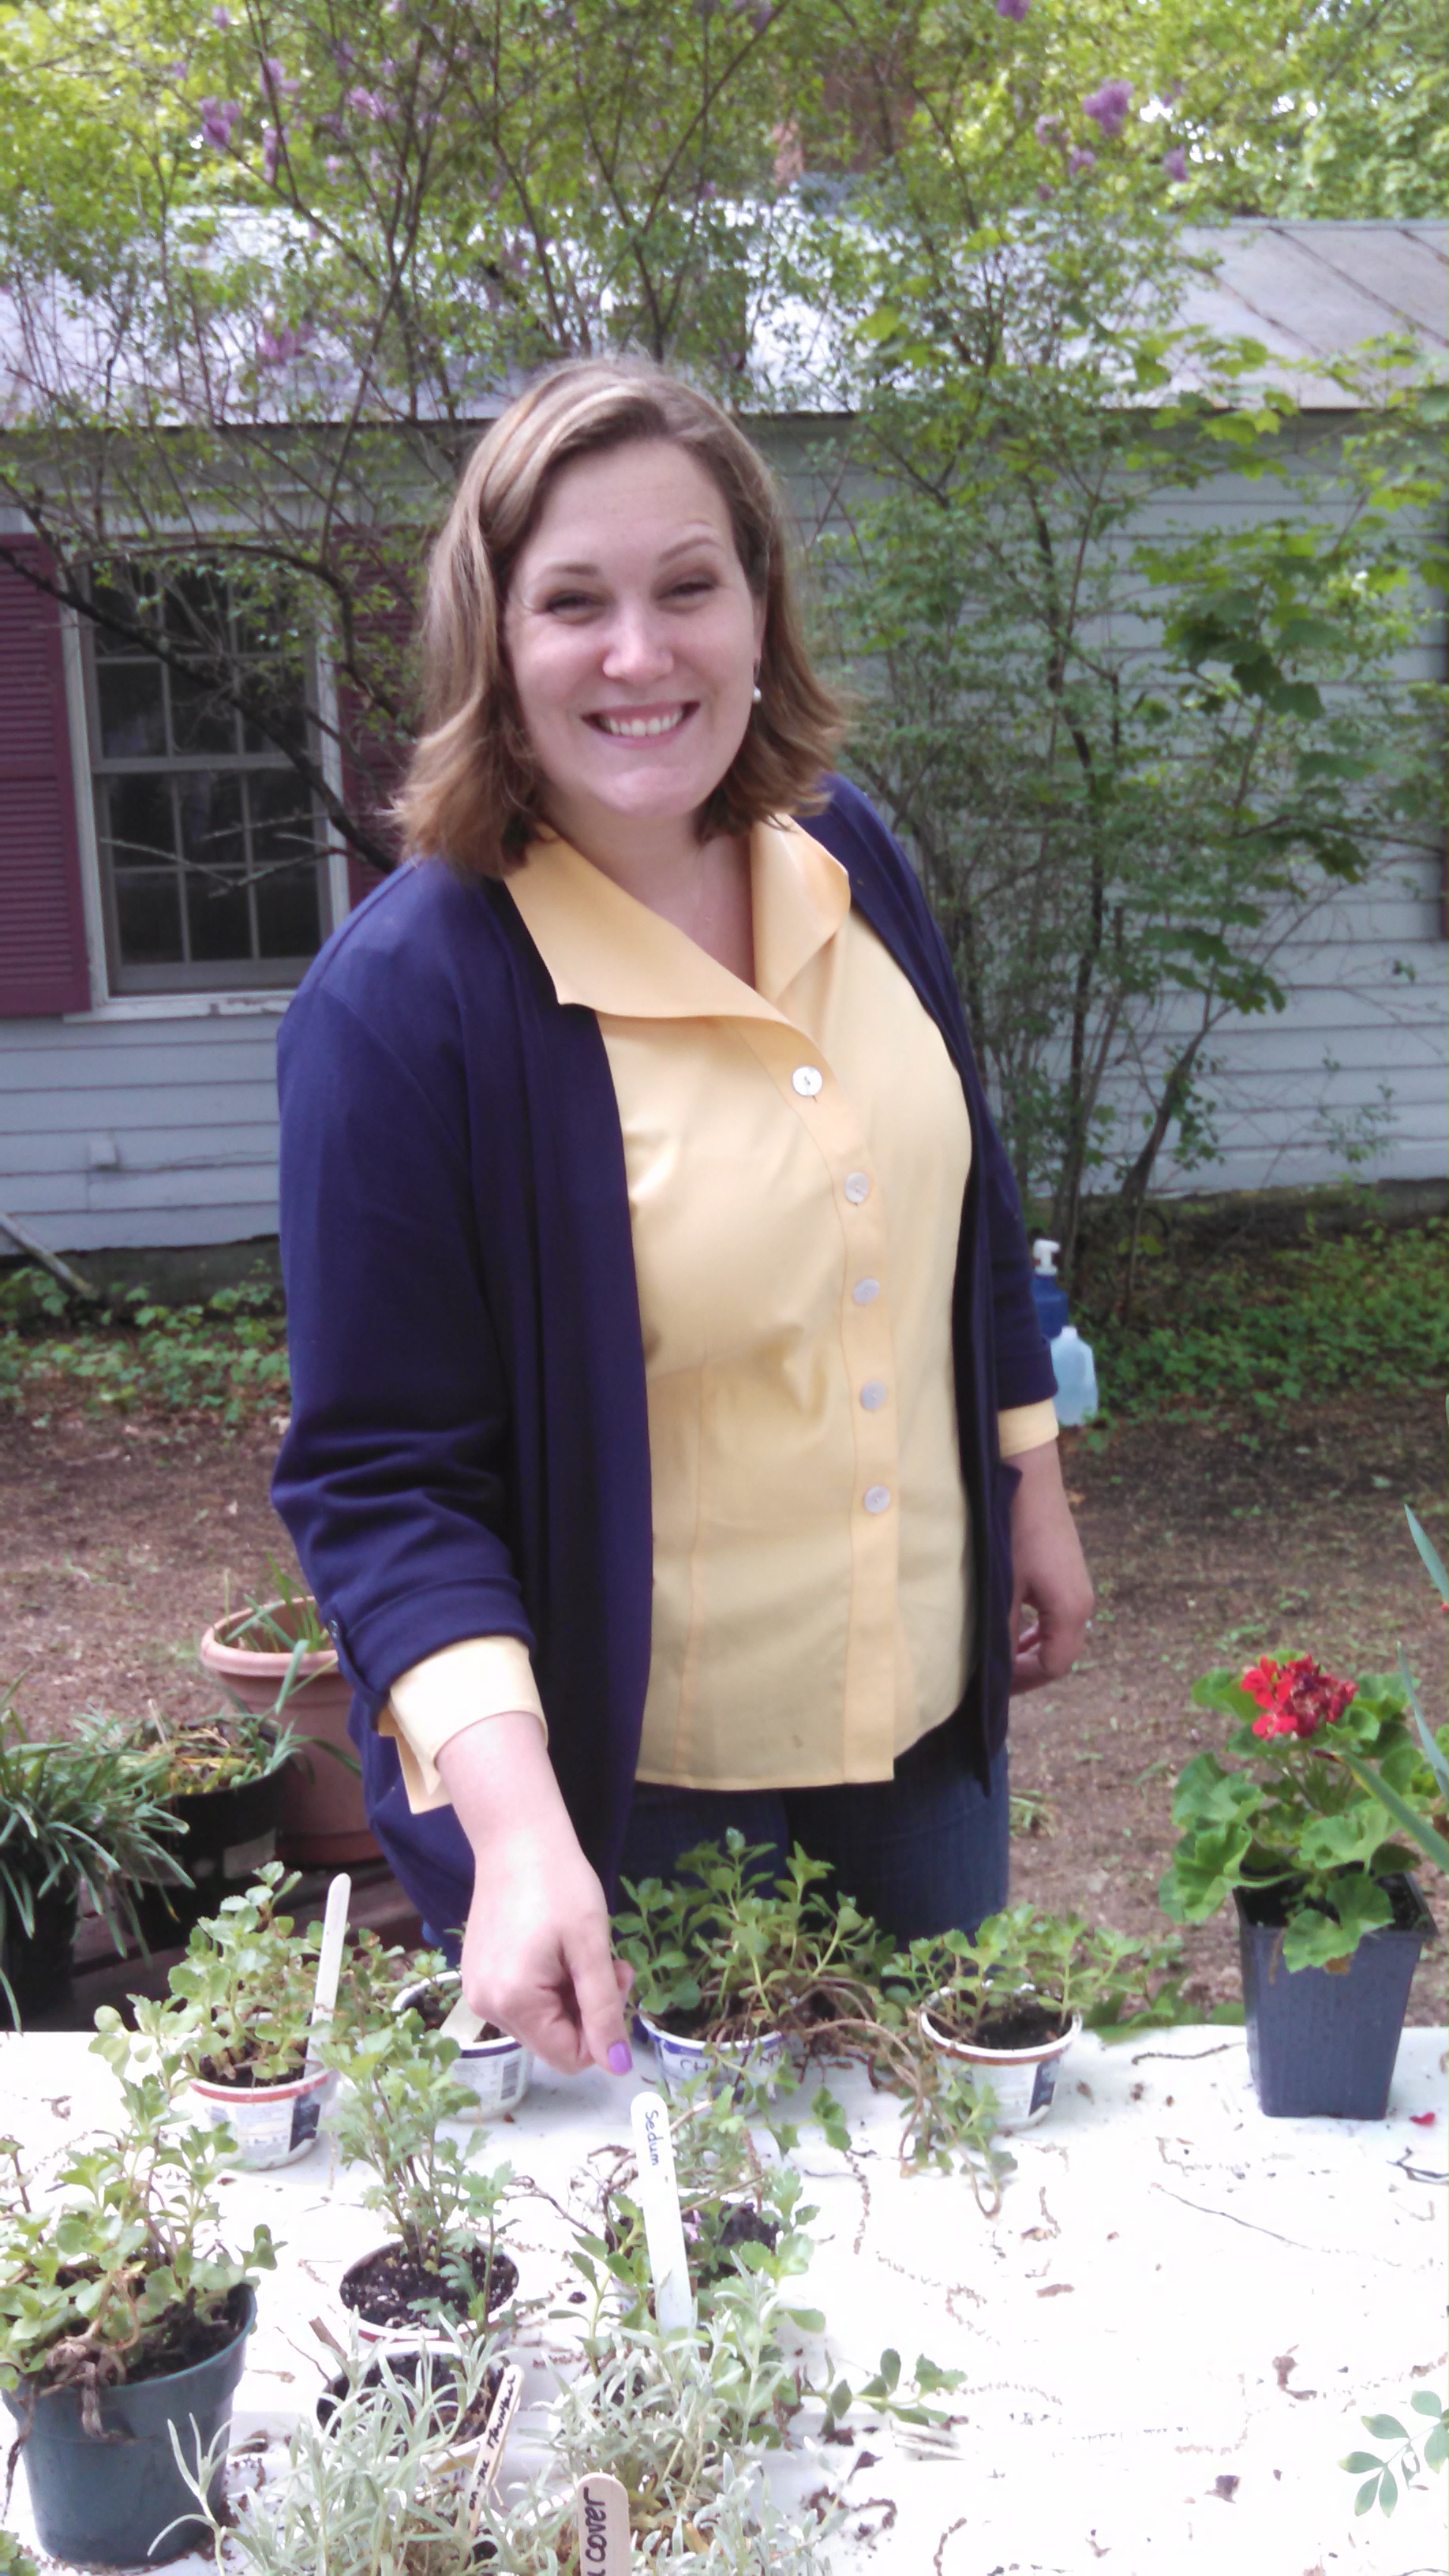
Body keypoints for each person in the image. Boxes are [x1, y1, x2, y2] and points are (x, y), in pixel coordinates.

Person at [271, 358, 1093, 2087]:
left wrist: (1031, 1476)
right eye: (574, 602)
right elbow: (385, 1480)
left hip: (922, 1738)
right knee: (699, 2238)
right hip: (635, 1796)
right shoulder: (407, 1003)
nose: (640, 655)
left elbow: (959, 1183)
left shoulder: (847, 855)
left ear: (759, 607)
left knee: (934, 2195)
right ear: (494, 641)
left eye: (688, 587)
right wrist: (518, 1832)